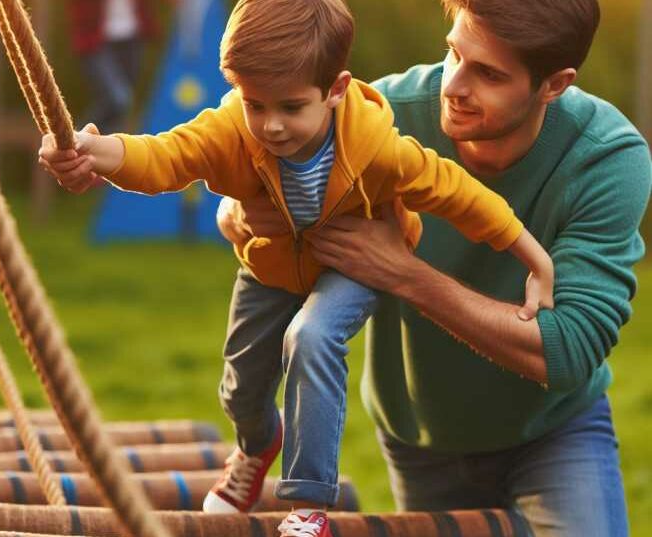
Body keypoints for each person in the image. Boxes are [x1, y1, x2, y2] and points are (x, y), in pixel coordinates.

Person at [38, 0, 555, 534]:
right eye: (255, 104)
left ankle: (308, 506)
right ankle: (256, 447)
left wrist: (534, 260)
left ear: (335, 90)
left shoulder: (378, 148)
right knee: (241, 389)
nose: (272, 126)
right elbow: (166, 156)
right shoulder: (233, 128)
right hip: (273, 263)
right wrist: (95, 150)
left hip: (351, 264)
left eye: (290, 107)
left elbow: (462, 196)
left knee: (312, 336)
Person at [216, 0, 652, 534]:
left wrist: (403, 273)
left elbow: (569, 349)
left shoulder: (606, 157)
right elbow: (259, 143)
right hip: (417, 433)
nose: (454, 85)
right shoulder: (383, 116)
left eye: (488, 74)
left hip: (553, 434)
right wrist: (234, 208)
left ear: (554, 85)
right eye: (454, 54)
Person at [67, 0, 158, 134]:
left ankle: (105, 148)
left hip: (131, 37)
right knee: (118, 100)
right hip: (96, 41)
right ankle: (77, 139)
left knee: (121, 107)